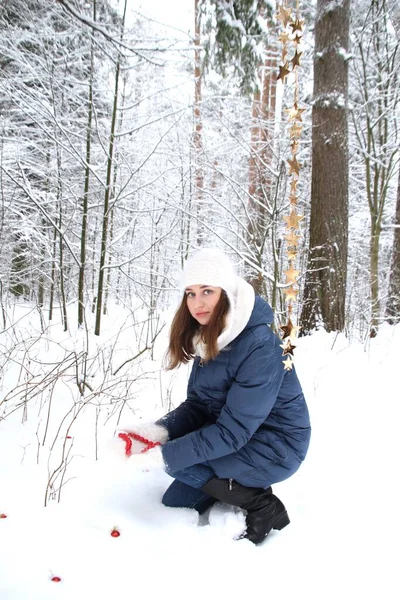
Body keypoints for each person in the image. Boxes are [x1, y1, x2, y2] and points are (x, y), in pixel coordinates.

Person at [117, 248, 311, 545]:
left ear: (227, 293)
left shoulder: (260, 346)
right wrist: (156, 432)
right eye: (191, 293)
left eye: (207, 291)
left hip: (277, 445)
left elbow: (232, 433)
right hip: (240, 434)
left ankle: (262, 505)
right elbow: (198, 405)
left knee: (177, 462)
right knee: (175, 502)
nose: (197, 303)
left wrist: (165, 455)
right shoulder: (211, 334)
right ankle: (235, 486)